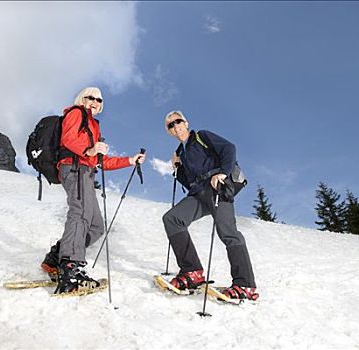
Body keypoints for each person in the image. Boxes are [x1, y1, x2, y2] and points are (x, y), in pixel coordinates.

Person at [41, 87, 145, 294]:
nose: (95, 101)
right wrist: (89, 149)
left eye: (99, 99)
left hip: (86, 172)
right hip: (74, 167)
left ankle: (57, 258)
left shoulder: (93, 125)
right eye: (91, 97)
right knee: (79, 214)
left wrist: (129, 161)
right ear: (82, 98)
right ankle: (71, 268)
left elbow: (100, 161)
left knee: (96, 226)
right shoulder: (75, 113)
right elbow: (69, 139)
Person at [162, 110, 258, 301]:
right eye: (170, 125)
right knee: (172, 218)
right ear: (169, 131)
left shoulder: (201, 137)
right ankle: (192, 272)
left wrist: (223, 173)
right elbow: (188, 182)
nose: (175, 126)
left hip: (217, 187)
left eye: (178, 121)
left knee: (227, 232)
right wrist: (178, 167)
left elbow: (229, 149)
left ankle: (245, 284)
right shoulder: (181, 152)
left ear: (186, 123)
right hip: (199, 193)